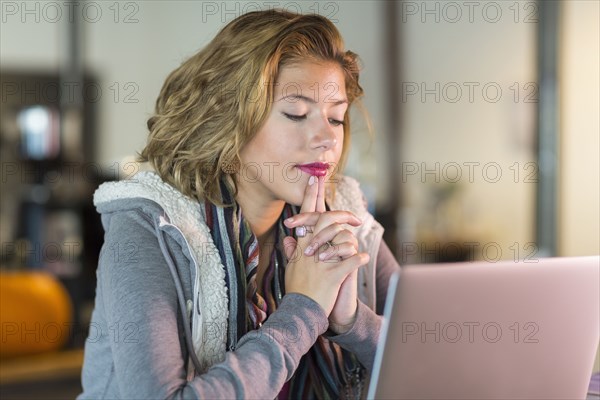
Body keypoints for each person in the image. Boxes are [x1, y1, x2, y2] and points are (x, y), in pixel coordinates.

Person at [78, 9, 400, 400]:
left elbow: (440, 368)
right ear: (229, 124)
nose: (327, 139)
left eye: (335, 118)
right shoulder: (150, 225)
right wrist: (305, 309)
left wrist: (352, 321)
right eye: (296, 114)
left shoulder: (346, 217)